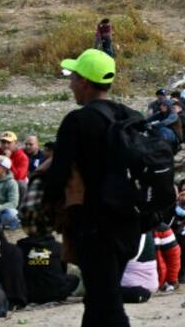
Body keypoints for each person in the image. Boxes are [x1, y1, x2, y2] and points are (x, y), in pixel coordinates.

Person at [41, 48, 141, 327]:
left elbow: (58, 175)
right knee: (97, 301)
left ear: (84, 82)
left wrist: (46, 209)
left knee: (107, 304)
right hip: (130, 225)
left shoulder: (77, 121)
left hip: (96, 227)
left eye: (73, 77)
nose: (70, 83)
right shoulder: (128, 115)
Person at [17, 226, 80, 303]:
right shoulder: (58, 247)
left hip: (30, 295)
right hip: (55, 293)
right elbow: (63, 271)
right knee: (74, 278)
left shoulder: (20, 248)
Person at [0, 157, 18, 230]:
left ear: (5, 168)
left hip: (1, 211)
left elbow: (13, 203)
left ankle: (3, 224)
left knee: (12, 213)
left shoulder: (11, 183)